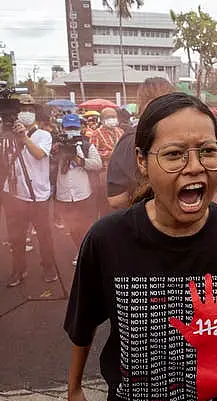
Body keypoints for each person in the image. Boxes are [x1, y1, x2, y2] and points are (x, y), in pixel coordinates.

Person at [64, 93, 217, 401]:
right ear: (142, 161)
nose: (196, 166)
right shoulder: (108, 239)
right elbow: (82, 323)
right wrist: (74, 390)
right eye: (174, 155)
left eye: (208, 151)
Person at [2, 94, 58, 286]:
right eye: (22, 109)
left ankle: (48, 266)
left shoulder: (44, 135)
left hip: (38, 194)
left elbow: (39, 154)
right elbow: (2, 161)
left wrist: (24, 138)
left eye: (30, 109)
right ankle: (18, 269)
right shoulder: (8, 137)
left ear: (35, 113)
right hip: (14, 193)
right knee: (16, 237)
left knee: (44, 234)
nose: (25, 113)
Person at [107, 77, 175, 210]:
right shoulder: (189, 136)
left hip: (142, 221)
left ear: (141, 104)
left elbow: (116, 199)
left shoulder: (129, 141)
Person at [54, 114, 102, 266]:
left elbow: (97, 164)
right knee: (73, 227)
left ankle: (92, 252)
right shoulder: (57, 146)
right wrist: (55, 152)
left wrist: (78, 159)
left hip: (83, 193)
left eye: (74, 128)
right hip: (64, 195)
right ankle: (80, 250)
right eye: (68, 128)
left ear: (80, 128)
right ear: (62, 129)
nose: (71, 131)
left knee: (88, 225)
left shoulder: (87, 146)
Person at [89, 108, 124, 217]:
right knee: (105, 204)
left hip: (121, 174)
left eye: (114, 117)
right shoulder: (96, 134)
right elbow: (93, 154)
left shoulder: (121, 131)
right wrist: (111, 153)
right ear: (102, 120)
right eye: (109, 117)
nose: (112, 120)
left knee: (120, 203)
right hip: (104, 174)